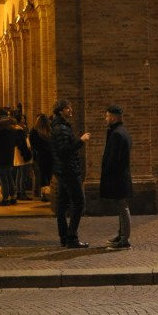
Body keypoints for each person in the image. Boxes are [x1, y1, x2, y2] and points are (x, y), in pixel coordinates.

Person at [50, 99, 90, 248]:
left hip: (63, 170)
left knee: (62, 204)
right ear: (61, 111)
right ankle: (71, 237)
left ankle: (64, 237)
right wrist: (81, 141)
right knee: (79, 203)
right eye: (68, 108)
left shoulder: (60, 126)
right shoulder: (61, 128)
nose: (71, 110)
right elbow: (64, 151)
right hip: (69, 171)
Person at [100, 105, 133, 250]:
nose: (105, 118)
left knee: (123, 207)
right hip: (121, 176)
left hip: (118, 177)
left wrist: (108, 173)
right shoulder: (121, 132)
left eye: (107, 116)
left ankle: (124, 240)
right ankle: (121, 235)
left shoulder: (117, 134)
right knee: (121, 207)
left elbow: (114, 158)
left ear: (113, 117)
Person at [29, 113, 54, 201]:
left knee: (42, 176)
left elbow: (32, 144)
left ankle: (44, 194)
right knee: (50, 175)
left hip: (40, 156)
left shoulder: (34, 131)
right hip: (50, 156)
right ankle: (50, 193)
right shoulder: (50, 130)